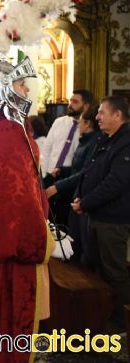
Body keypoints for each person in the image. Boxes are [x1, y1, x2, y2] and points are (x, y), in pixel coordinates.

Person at [0, 58, 72, 363]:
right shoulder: (6, 132)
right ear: (3, 89)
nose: (26, 89)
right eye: (21, 84)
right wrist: (39, 236)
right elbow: (19, 196)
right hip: (9, 247)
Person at [71, 95, 130, 328]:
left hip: (112, 219)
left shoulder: (126, 141)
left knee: (114, 272)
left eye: (102, 112)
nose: (97, 117)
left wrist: (85, 202)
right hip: (95, 215)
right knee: (93, 267)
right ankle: (99, 315)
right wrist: (80, 195)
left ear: (118, 115)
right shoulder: (106, 139)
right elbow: (90, 172)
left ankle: (121, 322)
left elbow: (116, 182)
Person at [45, 107, 101, 262]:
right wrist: (62, 170)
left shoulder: (94, 142)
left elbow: (84, 172)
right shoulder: (86, 141)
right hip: (76, 193)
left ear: (88, 124)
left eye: (81, 122)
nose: (78, 125)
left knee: (81, 246)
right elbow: (78, 168)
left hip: (83, 197)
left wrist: (58, 186)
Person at [41, 90, 93, 224]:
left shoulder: (87, 128)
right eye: (70, 101)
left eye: (75, 102)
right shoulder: (59, 122)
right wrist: (46, 173)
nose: (70, 105)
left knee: (64, 218)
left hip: (70, 178)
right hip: (51, 174)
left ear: (86, 106)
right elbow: (47, 148)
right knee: (48, 216)